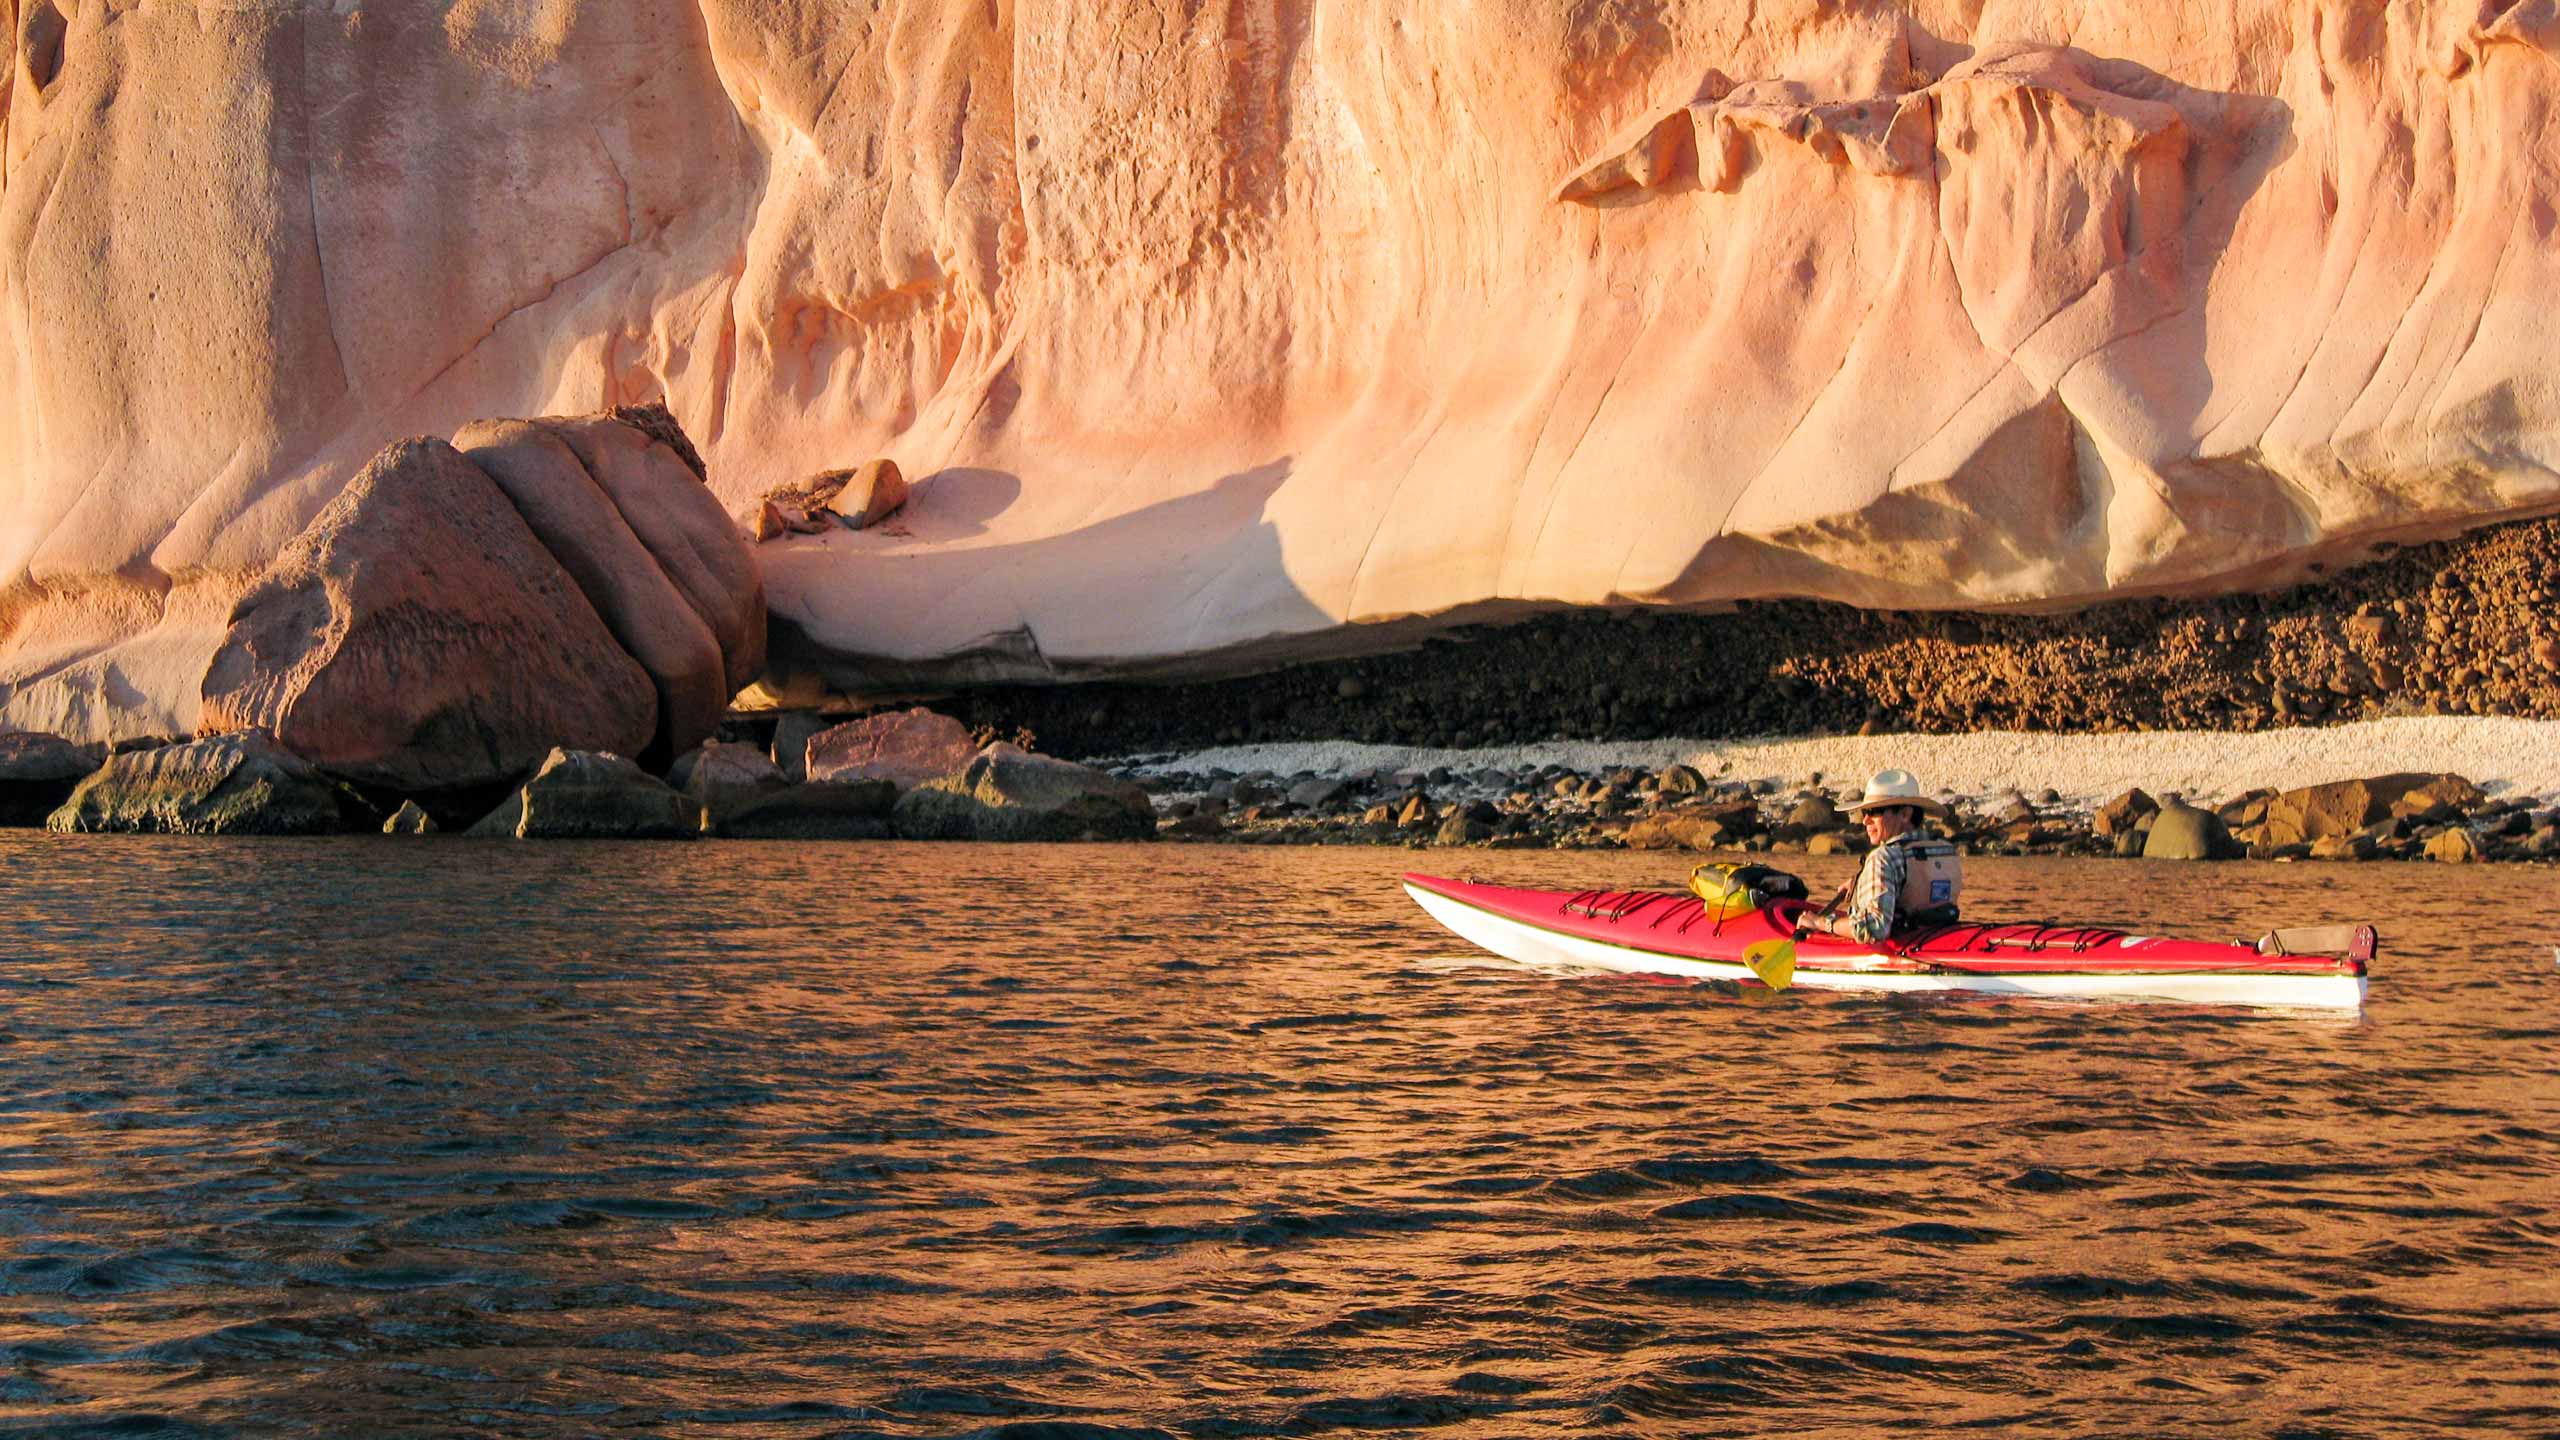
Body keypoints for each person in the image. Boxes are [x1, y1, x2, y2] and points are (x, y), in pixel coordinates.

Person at [1795, 769, 1963, 944]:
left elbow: (1874, 928)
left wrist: (1820, 923)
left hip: (1902, 950)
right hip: (1939, 939)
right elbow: (1915, 885)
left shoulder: (1884, 858)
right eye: (1864, 812)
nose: (1865, 820)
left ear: (1905, 814)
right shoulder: (1945, 849)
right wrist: (1862, 882)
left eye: (1874, 811)